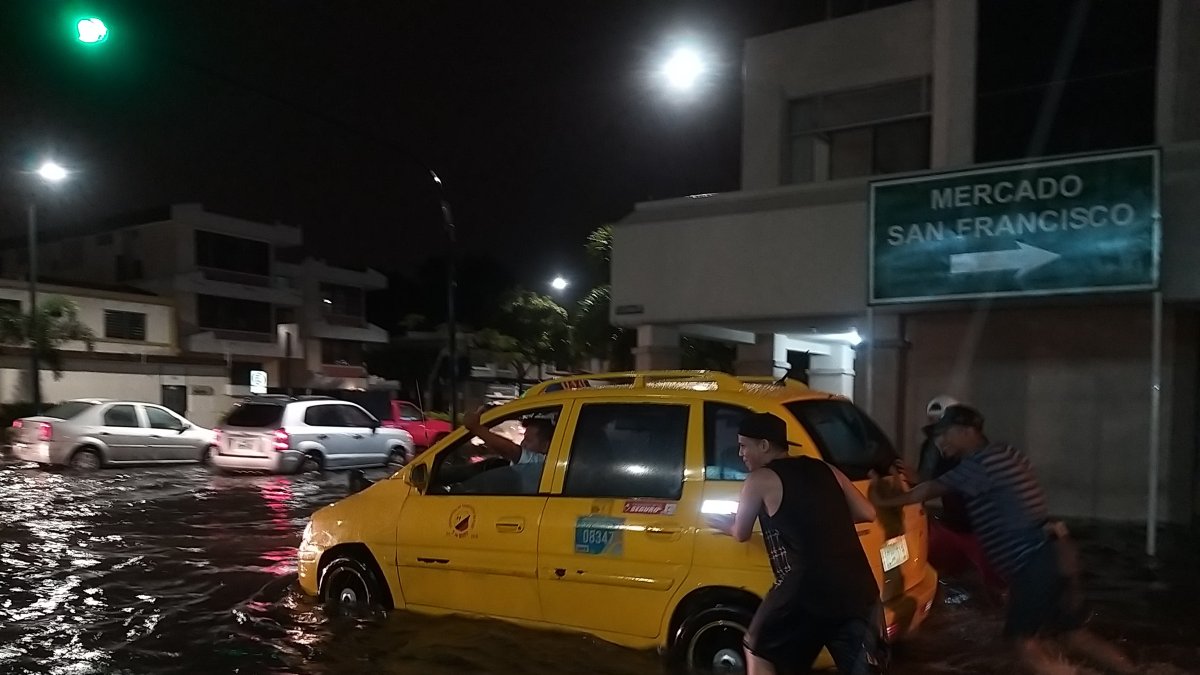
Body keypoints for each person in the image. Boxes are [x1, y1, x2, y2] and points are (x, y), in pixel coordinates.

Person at [868, 405, 1135, 675]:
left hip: (1032, 564)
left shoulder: (979, 464)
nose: (941, 441)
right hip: (1055, 553)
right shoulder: (1006, 453)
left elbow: (928, 489)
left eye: (945, 433)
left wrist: (884, 500)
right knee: (1075, 635)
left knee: (1021, 643)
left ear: (967, 431)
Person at [706, 412, 885, 675]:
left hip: (802, 594)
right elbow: (868, 513)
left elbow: (741, 532)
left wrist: (719, 521)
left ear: (764, 445)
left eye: (744, 445)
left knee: (756, 646)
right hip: (857, 590)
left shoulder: (759, 479)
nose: (741, 453)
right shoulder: (826, 469)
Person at [905, 395, 1005, 594]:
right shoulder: (934, 447)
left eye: (943, 427)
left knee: (993, 584)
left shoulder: (979, 456)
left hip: (979, 529)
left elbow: (931, 482)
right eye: (934, 426)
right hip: (956, 523)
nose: (941, 439)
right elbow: (926, 479)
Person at [463, 405, 552, 466]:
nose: (523, 443)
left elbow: (510, 450)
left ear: (545, 446)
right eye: (524, 438)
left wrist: (476, 428)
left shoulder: (542, 463)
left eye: (528, 440)